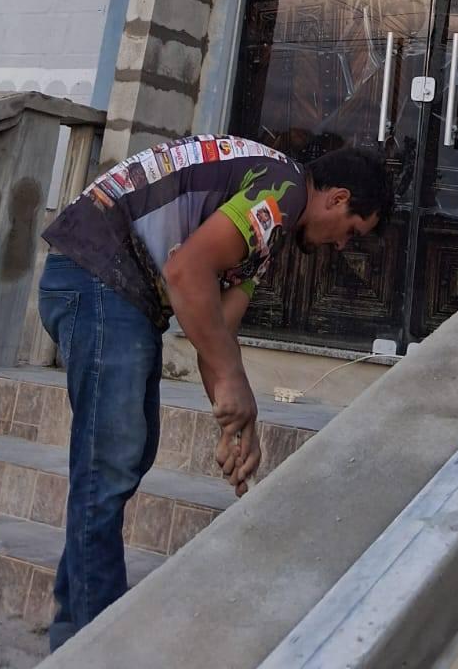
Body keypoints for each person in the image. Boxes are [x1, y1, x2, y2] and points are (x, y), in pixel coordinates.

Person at [37, 135, 392, 651]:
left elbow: (216, 334)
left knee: (124, 455)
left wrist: (235, 425)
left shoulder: (269, 222)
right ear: (336, 198)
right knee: (110, 462)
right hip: (97, 271)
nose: (342, 245)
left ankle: (76, 630)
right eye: (352, 231)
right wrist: (234, 387)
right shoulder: (284, 188)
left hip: (105, 279)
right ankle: (93, 646)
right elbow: (186, 273)